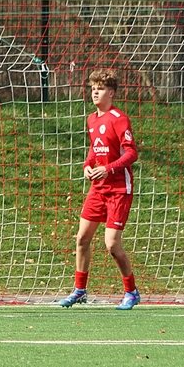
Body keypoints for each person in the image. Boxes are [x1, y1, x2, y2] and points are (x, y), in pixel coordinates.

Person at [59, 70, 140, 310]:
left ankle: (131, 292)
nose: (95, 92)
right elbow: (95, 148)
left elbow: (131, 153)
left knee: (112, 245)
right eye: (93, 88)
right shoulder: (92, 119)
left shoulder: (119, 119)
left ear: (111, 93)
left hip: (119, 189)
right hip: (98, 189)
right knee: (82, 238)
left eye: (101, 88)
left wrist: (109, 169)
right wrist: (87, 165)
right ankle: (79, 290)